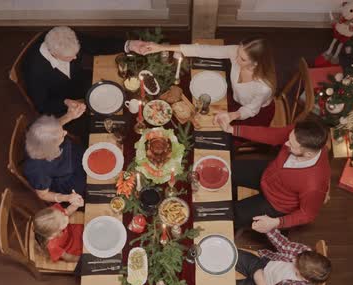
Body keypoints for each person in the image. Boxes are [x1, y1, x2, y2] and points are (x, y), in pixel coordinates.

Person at [23, 26, 150, 135]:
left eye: (76, 53)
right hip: (64, 106)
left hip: (80, 81)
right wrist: (65, 102)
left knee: (117, 92)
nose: (75, 57)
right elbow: (42, 104)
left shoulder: (65, 35)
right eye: (69, 57)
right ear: (53, 53)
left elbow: (97, 44)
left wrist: (129, 45)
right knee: (101, 128)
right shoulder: (33, 69)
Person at [218, 114, 330, 231]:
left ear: (308, 154)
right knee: (225, 169)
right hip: (269, 172)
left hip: (276, 202)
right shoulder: (300, 135)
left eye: (291, 145)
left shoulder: (314, 184)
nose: (286, 143)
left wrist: (276, 222)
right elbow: (273, 135)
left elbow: (308, 215)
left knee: (229, 214)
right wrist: (232, 129)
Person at [145, 38, 277, 127]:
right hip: (234, 99)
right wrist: (160, 47)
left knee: (223, 135)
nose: (235, 59)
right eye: (237, 53)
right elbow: (202, 50)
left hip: (252, 114)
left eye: (242, 59)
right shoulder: (238, 54)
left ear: (255, 64)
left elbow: (250, 110)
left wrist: (232, 115)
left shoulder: (263, 88)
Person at [23, 115, 86, 204]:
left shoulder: (39, 133)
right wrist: (67, 197)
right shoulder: (38, 170)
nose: (65, 132)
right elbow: (43, 195)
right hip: (69, 178)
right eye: (61, 136)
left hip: (75, 155)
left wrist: (69, 115)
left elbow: (53, 128)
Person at [33, 198, 84, 263]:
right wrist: (85, 259)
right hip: (72, 248)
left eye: (62, 215)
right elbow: (69, 257)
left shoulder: (55, 214)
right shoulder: (52, 246)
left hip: (75, 231)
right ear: (53, 234)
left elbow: (67, 212)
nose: (66, 217)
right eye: (63, 221)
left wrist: (75, 205)